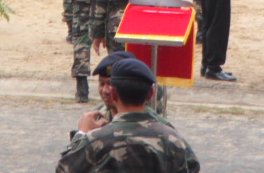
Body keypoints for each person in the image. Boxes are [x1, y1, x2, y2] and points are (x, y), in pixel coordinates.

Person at [57, 59, 200, 173]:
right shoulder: (172, 139)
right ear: (150, 94)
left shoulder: (95, 140)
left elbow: (64, 169)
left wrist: (81, 133)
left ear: (113, 94)